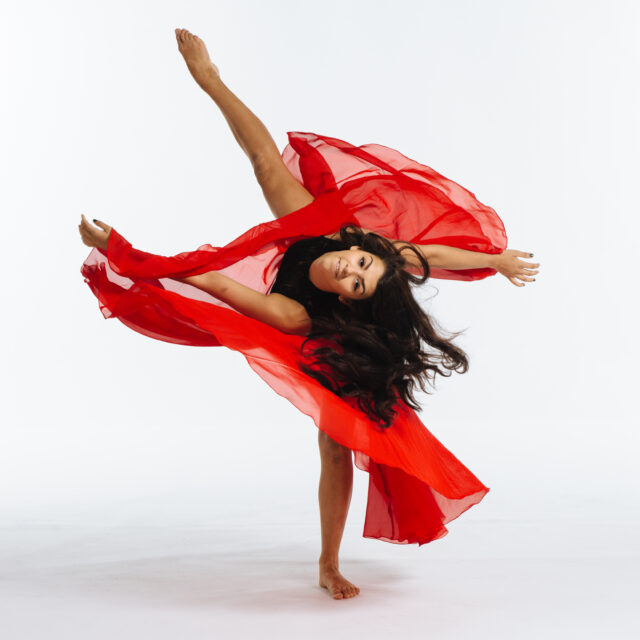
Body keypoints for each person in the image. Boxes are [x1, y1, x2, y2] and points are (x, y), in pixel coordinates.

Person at [78, 28, 540, 600]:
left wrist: (129, 254)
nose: (349, 267)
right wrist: (494, 259)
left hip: (342, 351)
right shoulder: (340, 235)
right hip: (345, 285)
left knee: (334, 445)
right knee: (277, 177)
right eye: (358, 260)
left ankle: (329, 563)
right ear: (359, 247)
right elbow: (424, 253)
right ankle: (328, 561)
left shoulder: (295, 314)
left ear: (348, 297)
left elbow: (216, 281)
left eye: (355, 279)